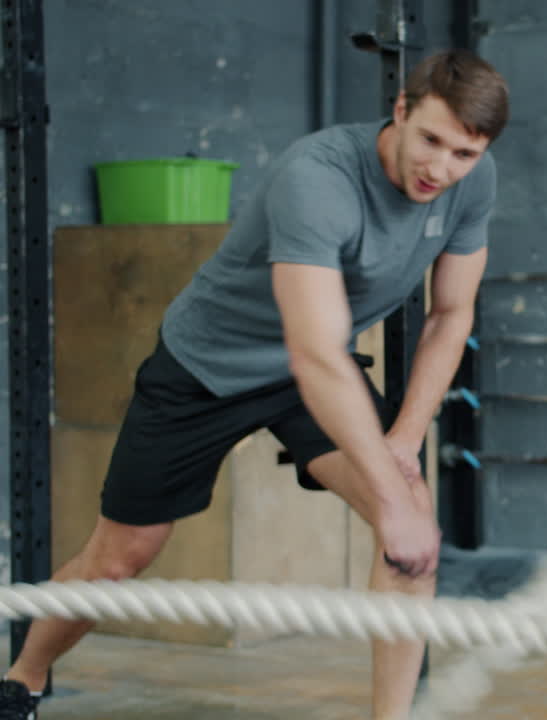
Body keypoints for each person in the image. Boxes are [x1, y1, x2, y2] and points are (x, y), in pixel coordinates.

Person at [0, 48, 507, 720]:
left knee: (408, 534)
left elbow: (451, 315)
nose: (440, 169)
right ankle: (23, 680)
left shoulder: (474, 182)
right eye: (430, 141)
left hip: (309, 375)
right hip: (209, 367)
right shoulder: (318, 177)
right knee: (121, 558)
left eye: (463, 155)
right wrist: (391, 489)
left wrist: (404, 450)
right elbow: (315, 350)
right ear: (401, 111)